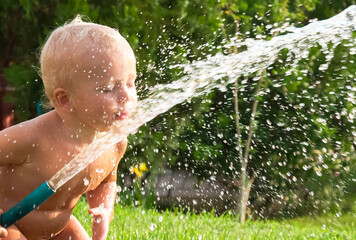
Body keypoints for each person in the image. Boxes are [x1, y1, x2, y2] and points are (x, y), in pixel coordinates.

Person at [0, 16, 138, 239]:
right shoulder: (34, 138)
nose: (126, 96)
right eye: (109, 88)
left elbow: (106, 179)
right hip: (9, 223)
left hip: (58, 228)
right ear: (65, 100)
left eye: (131, 83)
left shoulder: (114, 143)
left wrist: (103, 207)